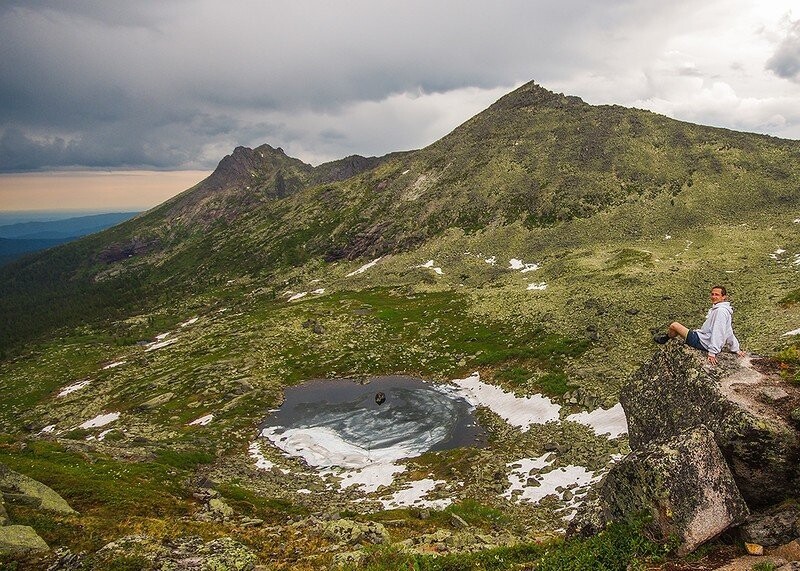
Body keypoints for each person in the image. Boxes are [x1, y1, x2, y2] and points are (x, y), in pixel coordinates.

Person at [654, 285, 745, 365]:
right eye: (712, 294)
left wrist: (712, 352)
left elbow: (719, 331)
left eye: (717, 295)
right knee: (679, 329)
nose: (713, 297)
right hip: (703, 338)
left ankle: (665, 339)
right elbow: (728, 331)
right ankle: (666, 338)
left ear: (724, 297)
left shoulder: (720, 311)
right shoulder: (722, 310)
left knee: (674, 325)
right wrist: (736, 349)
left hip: (702, 342)